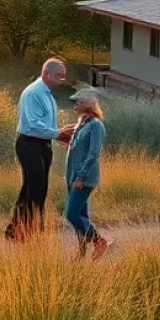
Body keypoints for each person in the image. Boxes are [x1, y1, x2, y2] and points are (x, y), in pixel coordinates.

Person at [5, 58, 70, 242]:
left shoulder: (47, 93)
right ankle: (30, 232)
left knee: (32, 188)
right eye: (59, 75)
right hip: (30, 143)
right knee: (36, 189)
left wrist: (58, 133)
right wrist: (58, 134)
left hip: (41, 144)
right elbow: (33, 125)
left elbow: (44, 124)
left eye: (64, 76)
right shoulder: (35, 92)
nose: (62, 79)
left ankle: (15, 231)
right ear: (47, 73)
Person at [63, 89, 110, 260]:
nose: (75, 105)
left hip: (84, 179)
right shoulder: (81, 122)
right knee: (81, 215)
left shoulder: (96, 125)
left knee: (71, 214)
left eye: (78, 102)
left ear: (88, 104)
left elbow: (93, 154)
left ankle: (99, 241)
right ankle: (82, 251)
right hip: (72, 176)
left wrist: (81, 177)